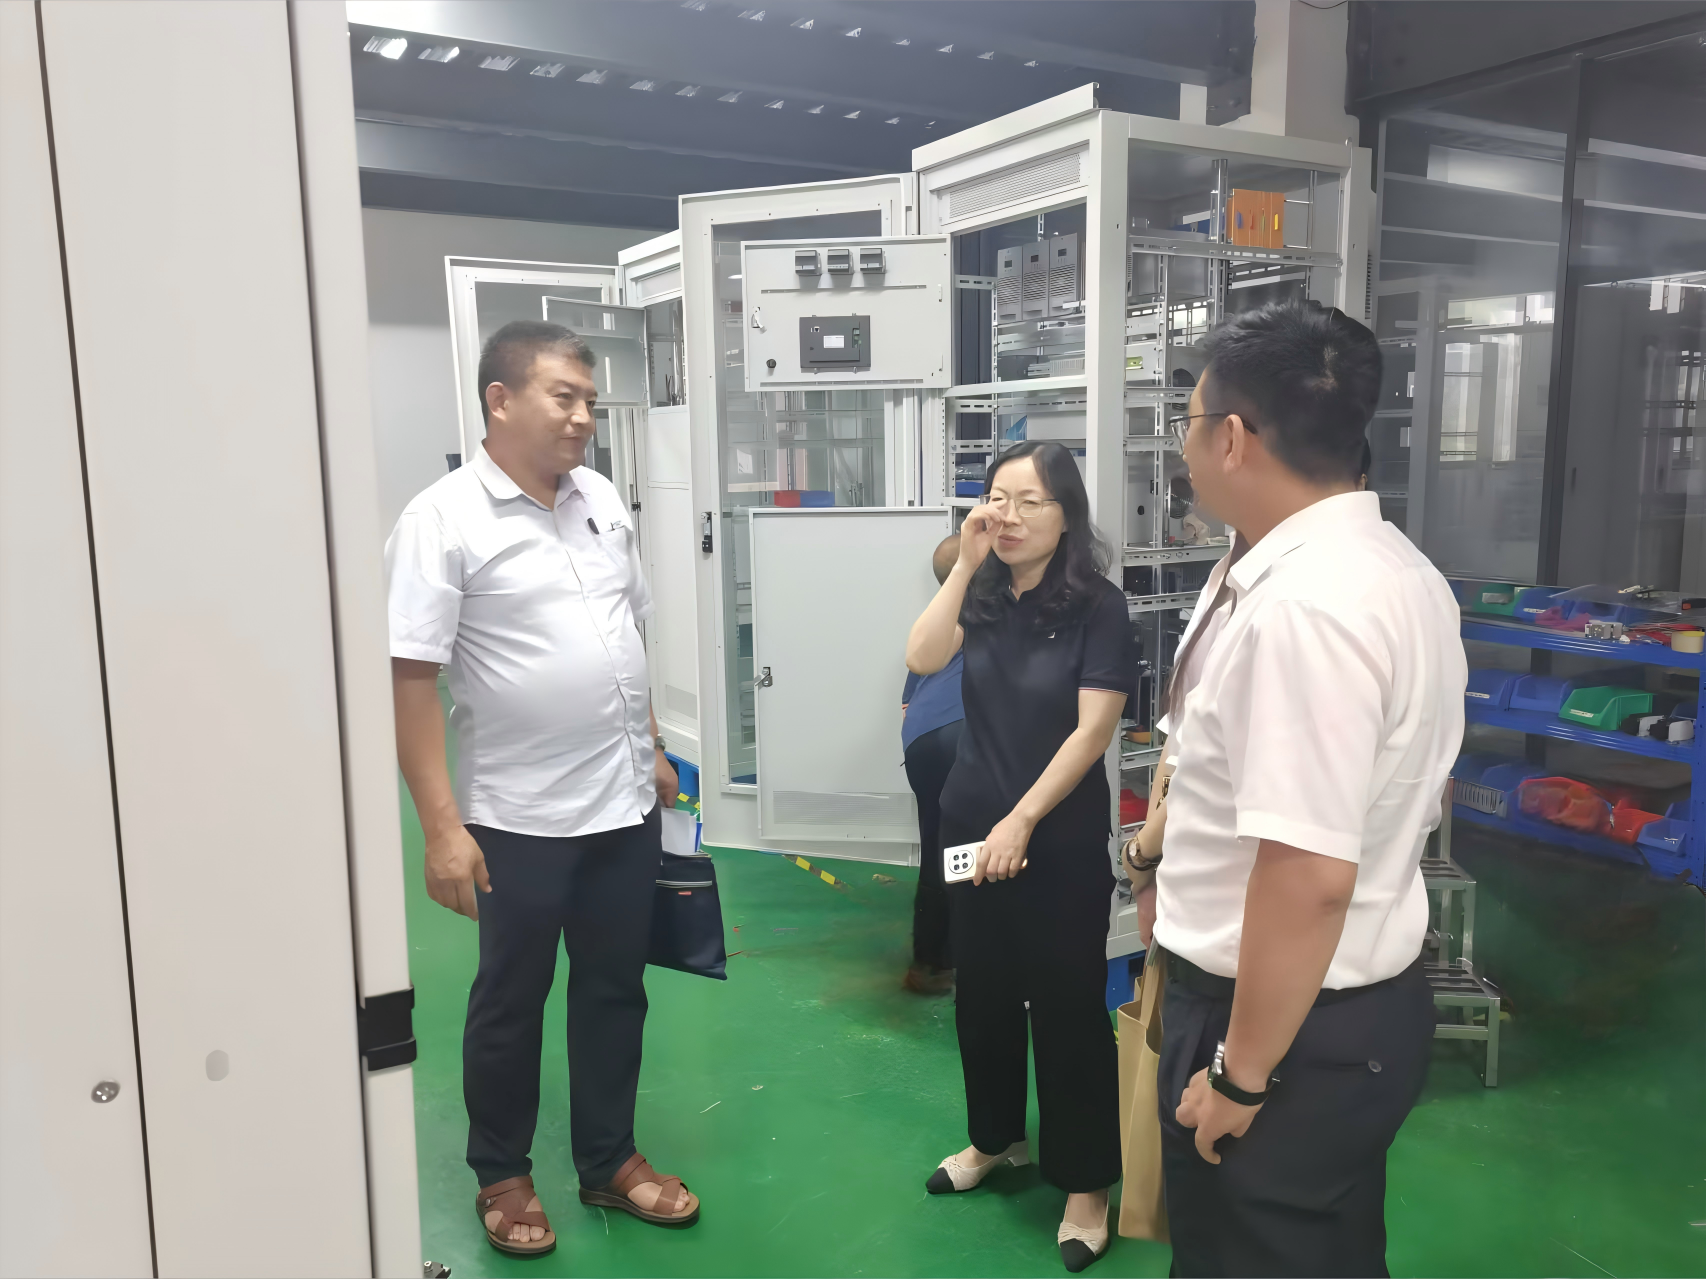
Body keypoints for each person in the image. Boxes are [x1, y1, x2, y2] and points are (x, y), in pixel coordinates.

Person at [1152, 301, 1466, 1277]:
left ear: (1232, 438)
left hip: (1280, 1030)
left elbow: (1307, 874)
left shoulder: (1305, 609)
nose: (1183, 448)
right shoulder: (1390, 570)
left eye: (1189, 422)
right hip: (1335, 1011)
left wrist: (1240, 1075)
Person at [387, 320, 698, 1260]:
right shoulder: (441, 520)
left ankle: (608, 1158)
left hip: (621, 804)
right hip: (515, 817)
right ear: (501, 400)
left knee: (614, 989)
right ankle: (502, 1171)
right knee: (511, 999)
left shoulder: (599, 499)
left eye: (589, 401)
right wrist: (441, 827)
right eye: (564, 396)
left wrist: (650, 745)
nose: (583, 417)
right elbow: (409, 678)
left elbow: (627, 631)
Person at [906, 440, 1137, 1273]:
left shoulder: (1100, 606)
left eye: (1027, 500)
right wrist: (965, 565)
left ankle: (1086, 1183)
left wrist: (1023, 820)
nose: (1006, 515)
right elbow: (922, 656)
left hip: (1056, 837)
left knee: (1069, 1006)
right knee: (985, 993)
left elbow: (1092, 731)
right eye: (995, 498)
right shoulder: (984, 591)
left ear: (1064, 513)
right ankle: (995, 1138)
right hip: (971, 823)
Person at [900, 534, 966, 995]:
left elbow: (907, 701)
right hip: (958, 737)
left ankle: (929, 962)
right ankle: (951, 959)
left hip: (921, 741)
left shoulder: (937, 618)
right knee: (966, 851)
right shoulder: (986, 611)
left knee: (936, 845)